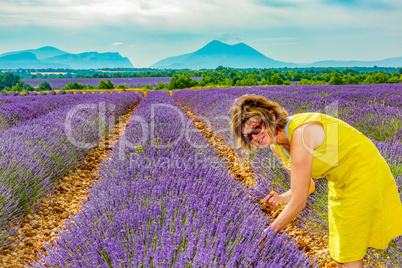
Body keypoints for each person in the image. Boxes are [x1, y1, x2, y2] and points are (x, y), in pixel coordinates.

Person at [230, 94, 402, 268]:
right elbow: (308, 187)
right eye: (248, 137)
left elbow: (299, 201)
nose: (255, 137)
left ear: (271, 116)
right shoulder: (277, 147)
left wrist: (268, 233)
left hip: (364, 172)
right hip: (340, 181)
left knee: (350, 249)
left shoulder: (301, 133)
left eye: (256, 128)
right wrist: (282, 199)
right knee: (342, 249)